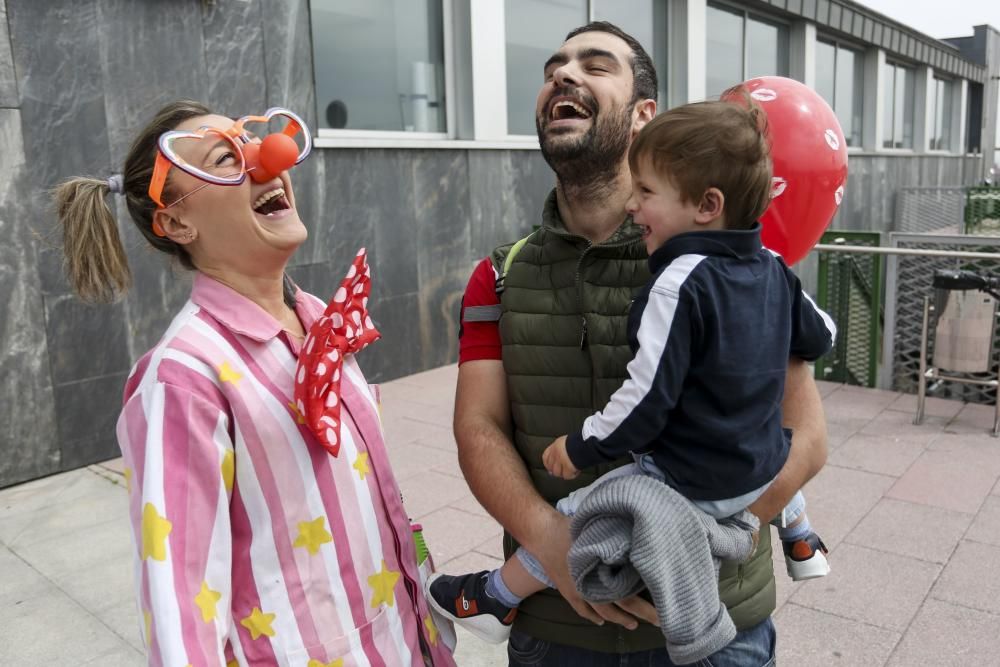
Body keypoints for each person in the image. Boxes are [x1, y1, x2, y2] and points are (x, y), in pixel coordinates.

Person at [443, 21, 830, 666]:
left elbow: (806, 436)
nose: (563, 75)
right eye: (552, 69)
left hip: (718, 629)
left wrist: (687, 545)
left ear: (645, 115)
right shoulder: (499, 274)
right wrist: (554, 547)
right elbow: (478, 429)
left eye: (595, 65)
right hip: (556, 630)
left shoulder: (732, 263)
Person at [53, 101, 455, 667]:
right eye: (225, 158)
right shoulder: (184, 376)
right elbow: (181, 612)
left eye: (253, 142)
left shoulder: (318, 317)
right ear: (175, 222)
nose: (270, 160)